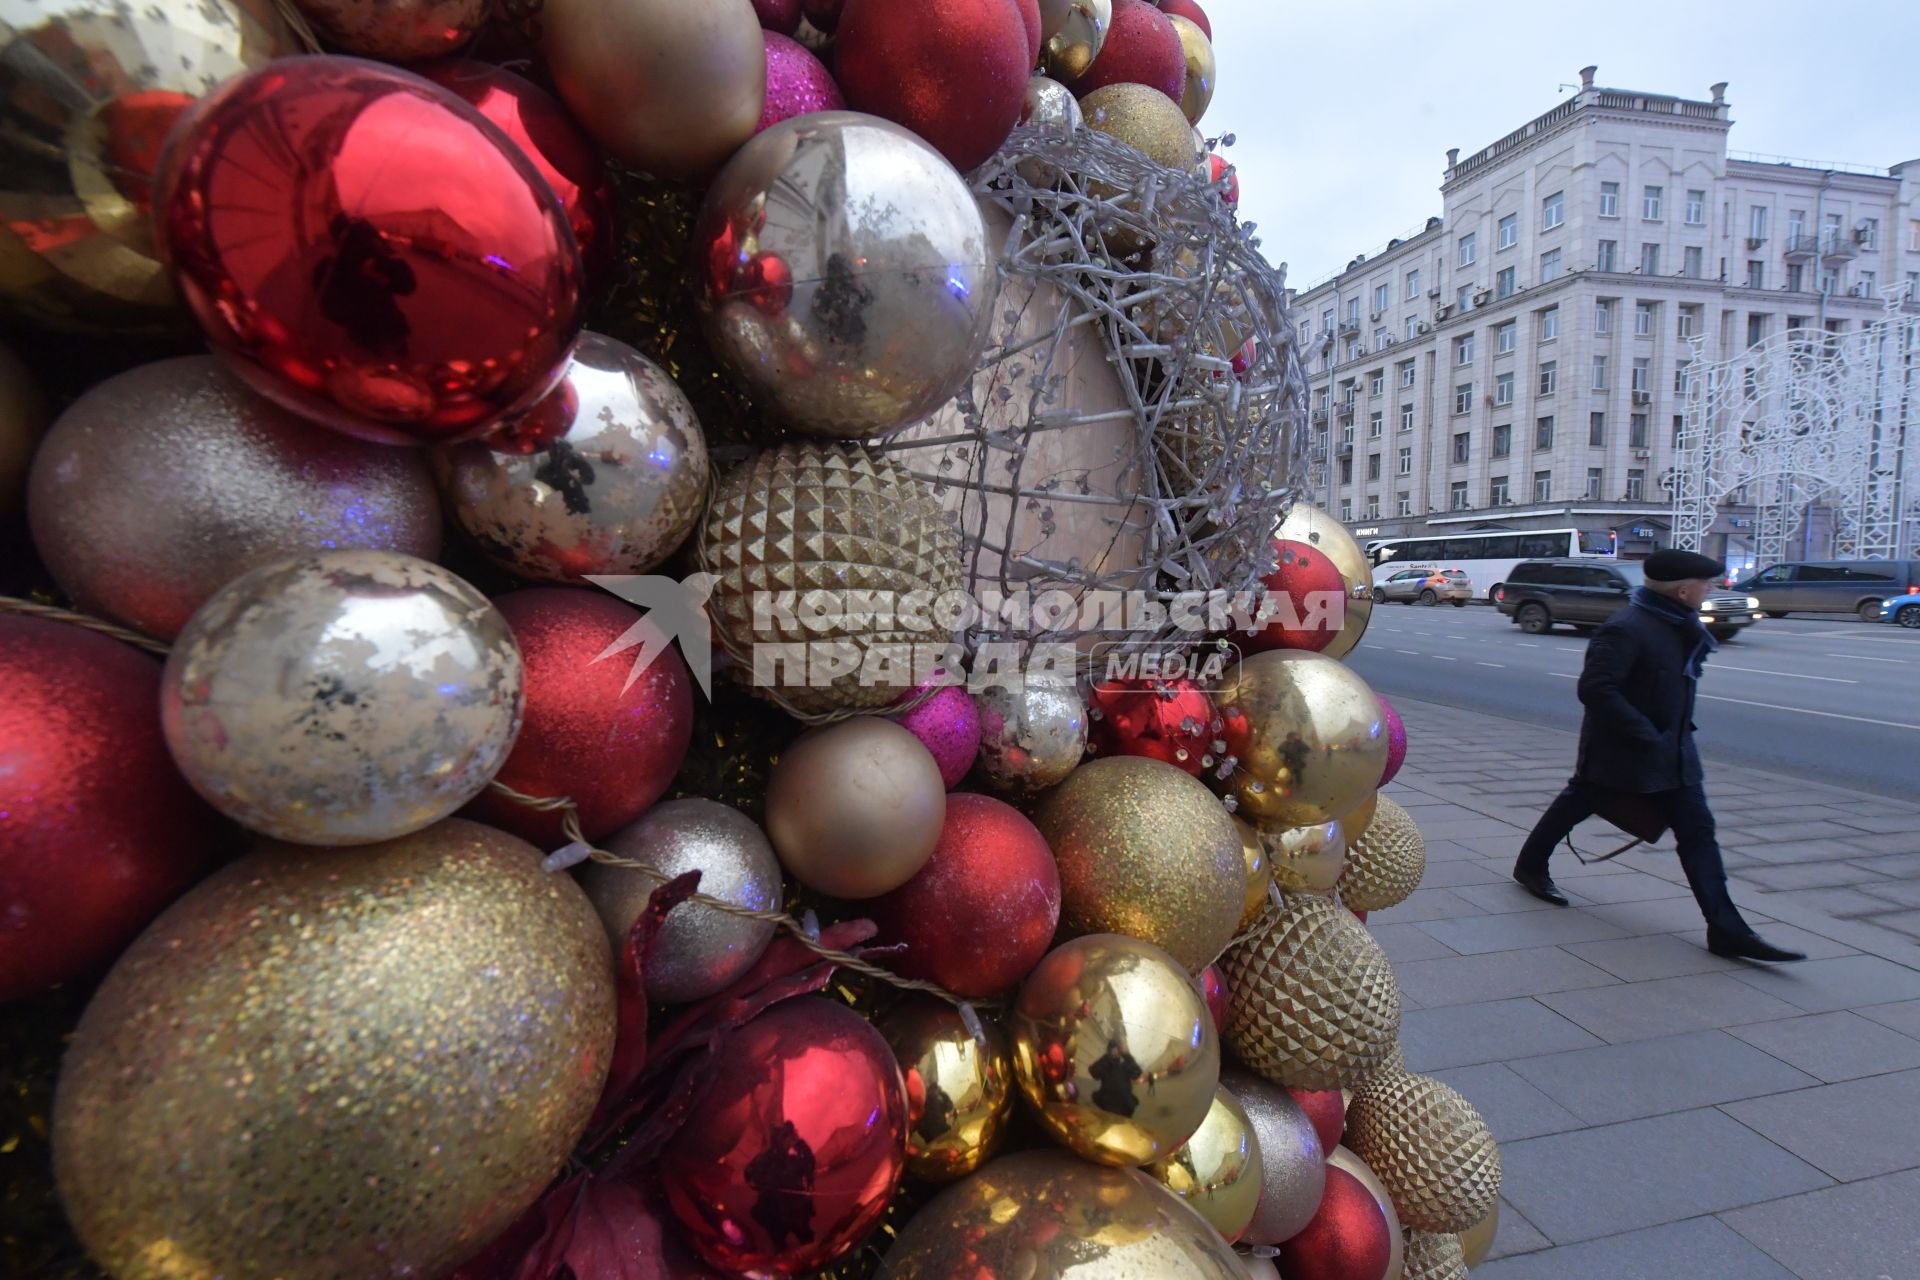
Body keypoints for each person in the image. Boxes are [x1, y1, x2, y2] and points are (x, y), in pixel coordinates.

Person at [1511, 549, 1804, 963]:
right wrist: (1646, 734)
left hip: (1675, 750)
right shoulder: (1627, 628)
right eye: (1708, 584)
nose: (1713, 589)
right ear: (1684, 590)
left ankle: (1726, 929)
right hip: (1626, 750)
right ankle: (1530, 865)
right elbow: (1596, 690)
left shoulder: (1679, 624)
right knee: (1578, 801)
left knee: (1698, 831)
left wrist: (1668, 737)